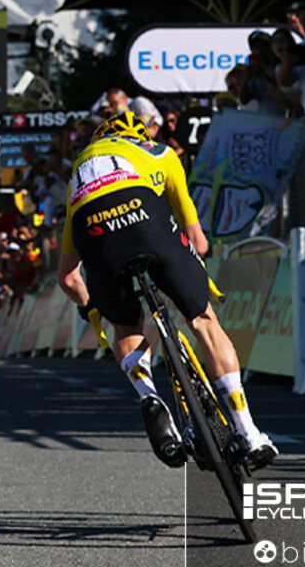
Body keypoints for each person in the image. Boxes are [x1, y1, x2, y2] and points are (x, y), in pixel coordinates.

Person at [55, 112, 276, 469]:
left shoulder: (79, 174)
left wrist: (91, 307)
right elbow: (199, 242)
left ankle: (148, 394)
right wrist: (187, 268)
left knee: (126, 326)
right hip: (146, 219)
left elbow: (67, 277)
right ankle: (248, 431)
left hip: (93, 228)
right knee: (203, 320)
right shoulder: (161, 153)